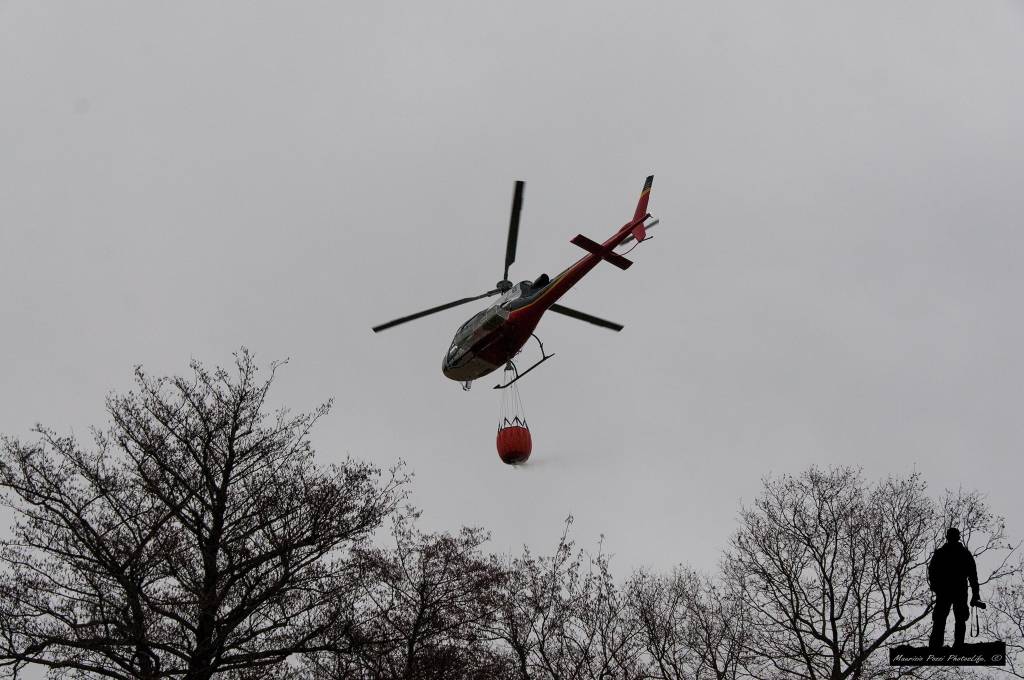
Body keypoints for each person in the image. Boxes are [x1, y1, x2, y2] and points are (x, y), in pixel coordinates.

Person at [928, 527, 981, 648]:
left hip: (957, 591)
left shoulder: (951, 553)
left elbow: (973, 575)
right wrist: (936, 587)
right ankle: (937, 646)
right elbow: (932, 572)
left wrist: (975, 594)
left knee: (958, 618)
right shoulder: (944, 553)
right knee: (941, 618)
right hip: (948, 591)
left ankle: (956, 645)